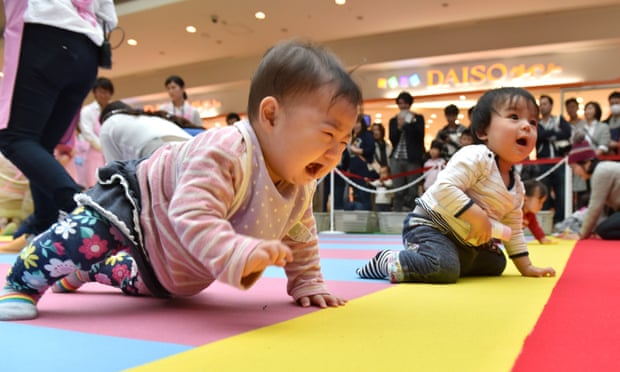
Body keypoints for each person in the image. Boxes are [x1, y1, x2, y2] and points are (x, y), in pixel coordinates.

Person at [0, 39, 362, 321]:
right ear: (270, 115)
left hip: (172, 272)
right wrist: (237, 251)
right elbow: (192, 213)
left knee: (135, 278)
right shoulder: (227, 152)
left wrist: (307, 281)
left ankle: (87, 272)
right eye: (328, 135)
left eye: (345, 142)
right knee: (84, 237)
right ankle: (21, 283)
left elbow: (301, 234)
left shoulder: (302, 185)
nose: (336, 152)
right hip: (139, 208)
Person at [356, 87, 556, 284]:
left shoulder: (517, 187)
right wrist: (476, 216)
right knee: (442, 268)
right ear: (483, 131)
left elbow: (513, 228)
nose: (527, 126)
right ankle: (390, 260)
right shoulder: (476, 156)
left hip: (465, 239)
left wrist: (526, 266)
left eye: (532, 122)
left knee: (497, 264)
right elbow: (444, 188)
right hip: (432, 226)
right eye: (514, 117)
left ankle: (453, 259)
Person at [0, 0, 118, 240]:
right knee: (41, 144)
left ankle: (82, 207)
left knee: (14, 137)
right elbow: (109, 17)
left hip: (43, 36)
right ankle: (45, 226)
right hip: (87, 52)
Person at [99, 101, 193, 162]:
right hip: (193, 147)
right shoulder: (148, 118)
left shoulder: (108, 124)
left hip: (163, 153)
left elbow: (114, 171)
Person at [567, 140, 620, 240]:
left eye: (574, 167)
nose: (575, 172)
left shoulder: (600, 172)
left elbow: (595, 207)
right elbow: (601, 210)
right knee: (603, 229)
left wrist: (581, 234)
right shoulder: (601, 170)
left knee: (604, 230)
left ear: (586, 163)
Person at [536, 94, 571, 224]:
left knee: (561, 192)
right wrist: (554, 134)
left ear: (551, 106)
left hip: (559, 162)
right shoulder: (536, 123)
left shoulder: (558, 119)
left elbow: (567, 133)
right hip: (543, 162)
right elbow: (537, 136)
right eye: (541, 104)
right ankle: (544, 222)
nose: (542, 106)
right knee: (543, 193)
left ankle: (560, 220)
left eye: (545, 103)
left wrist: (547, 134)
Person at [388, 91, 425, 212]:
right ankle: (396, 212)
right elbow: (392, 138)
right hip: (397, 158)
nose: (403, 106)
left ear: (409, 104)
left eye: (405, 104)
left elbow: (420, 135)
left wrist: (407, 124)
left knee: (412, 190)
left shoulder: (418, 118)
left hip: (412, 159)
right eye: (400, 104)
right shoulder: (393, 120)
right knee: (397, 188)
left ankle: (413, 215)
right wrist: (399, 127)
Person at [77, 77, 115, 187]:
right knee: (95, 183)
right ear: (95, 93)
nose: (104, 95)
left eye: (107, 92)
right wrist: (103, 147)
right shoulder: (87, 111)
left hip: (112, 151)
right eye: (101, 92)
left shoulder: (114, 108)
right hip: (95, 152)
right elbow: (87, 133)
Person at [345, 114, 375, 210]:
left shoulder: (367, 135)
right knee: (356, 195)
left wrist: (359, 151)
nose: (355, 125)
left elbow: (371, 149)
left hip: (363, 171)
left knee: (364, 195)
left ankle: (366, 217)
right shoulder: (353, 137)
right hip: (353, 173)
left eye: (357, 123)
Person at [522, 179, 554, 244]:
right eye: (539, 202)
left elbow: (535, 227)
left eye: (543, 203)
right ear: (525, 198)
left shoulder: (530, 213)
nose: (541, 206)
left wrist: (542, 238)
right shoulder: (514, 210)